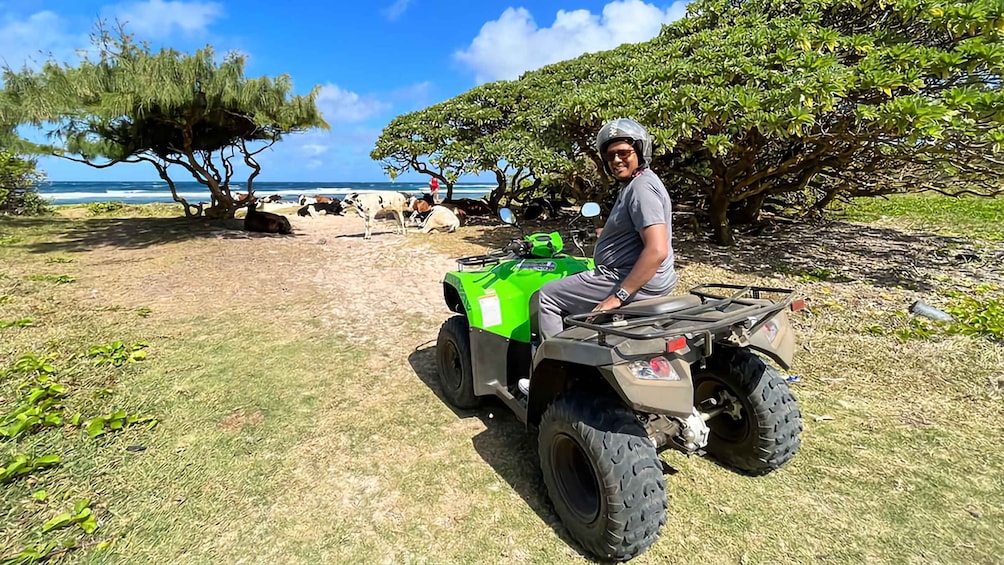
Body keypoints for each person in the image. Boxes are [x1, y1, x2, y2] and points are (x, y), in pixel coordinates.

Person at [519, 118, 677, 395]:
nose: (616, 160)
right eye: (610, 155)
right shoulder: (639, 184)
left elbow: (657, 249)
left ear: (640, 152)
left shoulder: (640, 189)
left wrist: (618, 297)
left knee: (548, 296)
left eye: (624, 153)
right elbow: (637, 232)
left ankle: (556, 378)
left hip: (628, 280)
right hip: (645, 278)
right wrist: (602, 235)